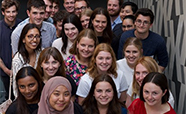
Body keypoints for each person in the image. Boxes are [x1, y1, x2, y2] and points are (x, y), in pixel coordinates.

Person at [12, 23, 41, 98]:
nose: (34, 40)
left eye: (37, 36)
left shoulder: (42, 53)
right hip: (24, 98)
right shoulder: (18, 60)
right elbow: (16, 87)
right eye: (30, 36)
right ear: (23, 39)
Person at [0, 0, 21, 100]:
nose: (11, 15)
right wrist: (7, 70)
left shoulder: (22, 25)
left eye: (13, 11)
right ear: (3, 12)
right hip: (4, 72)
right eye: (8, 12)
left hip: (21, 70)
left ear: (17, 12)